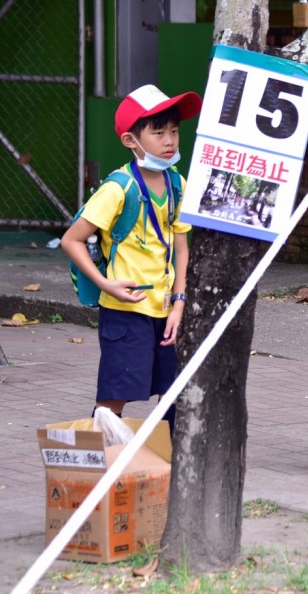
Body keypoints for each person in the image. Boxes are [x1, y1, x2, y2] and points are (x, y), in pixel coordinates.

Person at [61, 84, 201, 433]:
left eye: (173, 131)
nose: (169, 140)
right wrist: (106, 283)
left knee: (174, 392)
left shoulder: (177, 184)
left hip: (166, 308)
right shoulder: (118, 188)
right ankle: (100, 466)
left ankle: (164, 467)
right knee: (114, 395)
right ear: (130, 140)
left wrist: (180, 302)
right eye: (158, 132)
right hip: (125, 311)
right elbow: (71, 240)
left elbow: (181, 247)